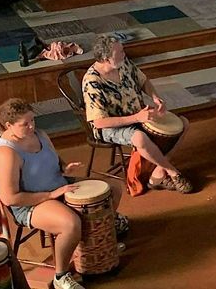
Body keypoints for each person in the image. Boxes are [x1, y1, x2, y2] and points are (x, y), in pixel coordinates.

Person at [0, 97, 125, 289]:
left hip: (59, 186)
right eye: (24, 124)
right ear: (8, 126)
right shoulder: (6, 153)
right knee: (70, 223)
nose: (32, 126)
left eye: (33, 120)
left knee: (112, 189)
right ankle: (61, 275)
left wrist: (64, 168)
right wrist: (50, 195)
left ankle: (91, 241)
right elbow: (10, 198)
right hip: (30, 203)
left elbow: (53, 160)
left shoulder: (39, 134)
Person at [83, 35, 193, 193]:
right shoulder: (92, 82)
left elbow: (143, 81)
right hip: (111, 126)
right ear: (106, 59)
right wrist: (136, 118)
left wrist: (155, 97)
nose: (124, 53)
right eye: (120, 52)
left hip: (137, 114)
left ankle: (158, 172)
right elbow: (99, 123)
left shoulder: (122, 63)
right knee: (139, 137)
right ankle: (172, 172)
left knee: (183, 123)